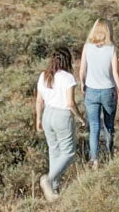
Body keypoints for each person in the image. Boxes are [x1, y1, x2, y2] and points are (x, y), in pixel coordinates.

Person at [34, 47, 86, 201]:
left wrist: (38, 118)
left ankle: (54, 189)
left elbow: (39, 100)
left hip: (47, 115)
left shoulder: (44, 75)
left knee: (54, 151)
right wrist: (81, 118)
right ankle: (49, 180)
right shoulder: (68, 77)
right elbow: (70, 103)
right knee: (68, 152)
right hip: (62, 116)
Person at [78, 18, 119, 167]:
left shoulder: (87, 46)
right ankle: (110, 155)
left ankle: (95, 159)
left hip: (91, 90)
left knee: (94, 126)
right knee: (109, 126)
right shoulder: (112, 48)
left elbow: (82, 69)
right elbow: (115, 71)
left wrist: (82, 83)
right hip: (108, 90)